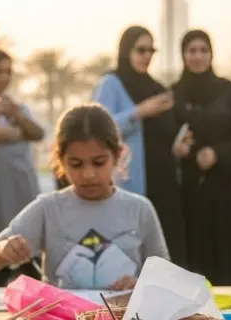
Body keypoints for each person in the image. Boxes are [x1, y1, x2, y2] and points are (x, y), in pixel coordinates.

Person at [0, 105, 170, 291]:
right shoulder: (49, 209)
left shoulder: (139, 209)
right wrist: (3, 249)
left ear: (118, 155)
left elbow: (165, 277)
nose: (88, 174)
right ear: (61, 161)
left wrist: (140, 284)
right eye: (76, 164)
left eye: (99, 163)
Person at [172, 29, 231, 286]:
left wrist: (218, 154)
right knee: (195, 259)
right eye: (192, 51)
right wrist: (179, 152)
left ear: (211, 54)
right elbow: (165, 138)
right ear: (183, 55)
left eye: (203, 50)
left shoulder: (230, 92)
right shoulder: (173, 95)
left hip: (227, 191)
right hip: (190, 193)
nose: (198, 56)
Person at [93, 26, 187, 266]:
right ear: (127, 51)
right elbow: (98, 126)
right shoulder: (111, 84)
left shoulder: (156, 87)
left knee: (163, 251)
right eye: (141, 50)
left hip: (163, 182)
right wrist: (139, 112)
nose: (147, 56)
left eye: (151, 51)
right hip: (131, 180)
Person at [0, 48, 45, 287]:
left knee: (29, 254)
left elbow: (37, 133)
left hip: (23, 185)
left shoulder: (16, 107)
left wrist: (16, 117)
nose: (3, 77)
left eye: (8, 72)